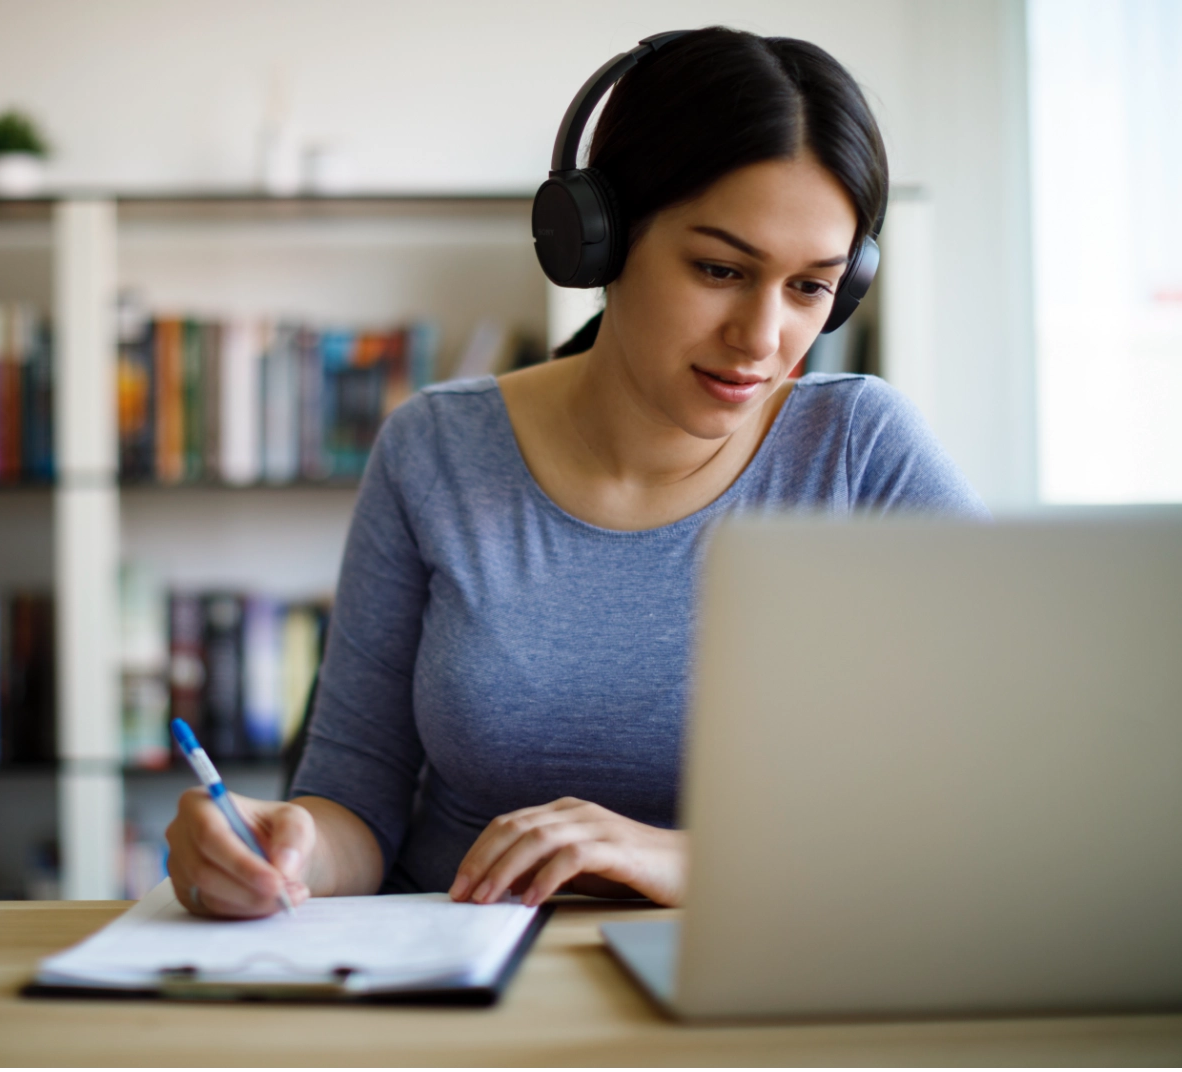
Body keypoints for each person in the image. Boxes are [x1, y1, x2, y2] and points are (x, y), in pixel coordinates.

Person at [165, 26, 988, 918]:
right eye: (720, 268)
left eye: (809, 288)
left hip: (755, 990)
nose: (762, 339)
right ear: (597, 238)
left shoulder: (860, 454)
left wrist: (686, 860)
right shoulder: (434, 450)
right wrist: (281, 846)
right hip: (462, 986)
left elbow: (1007, 783)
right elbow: (352, 803)